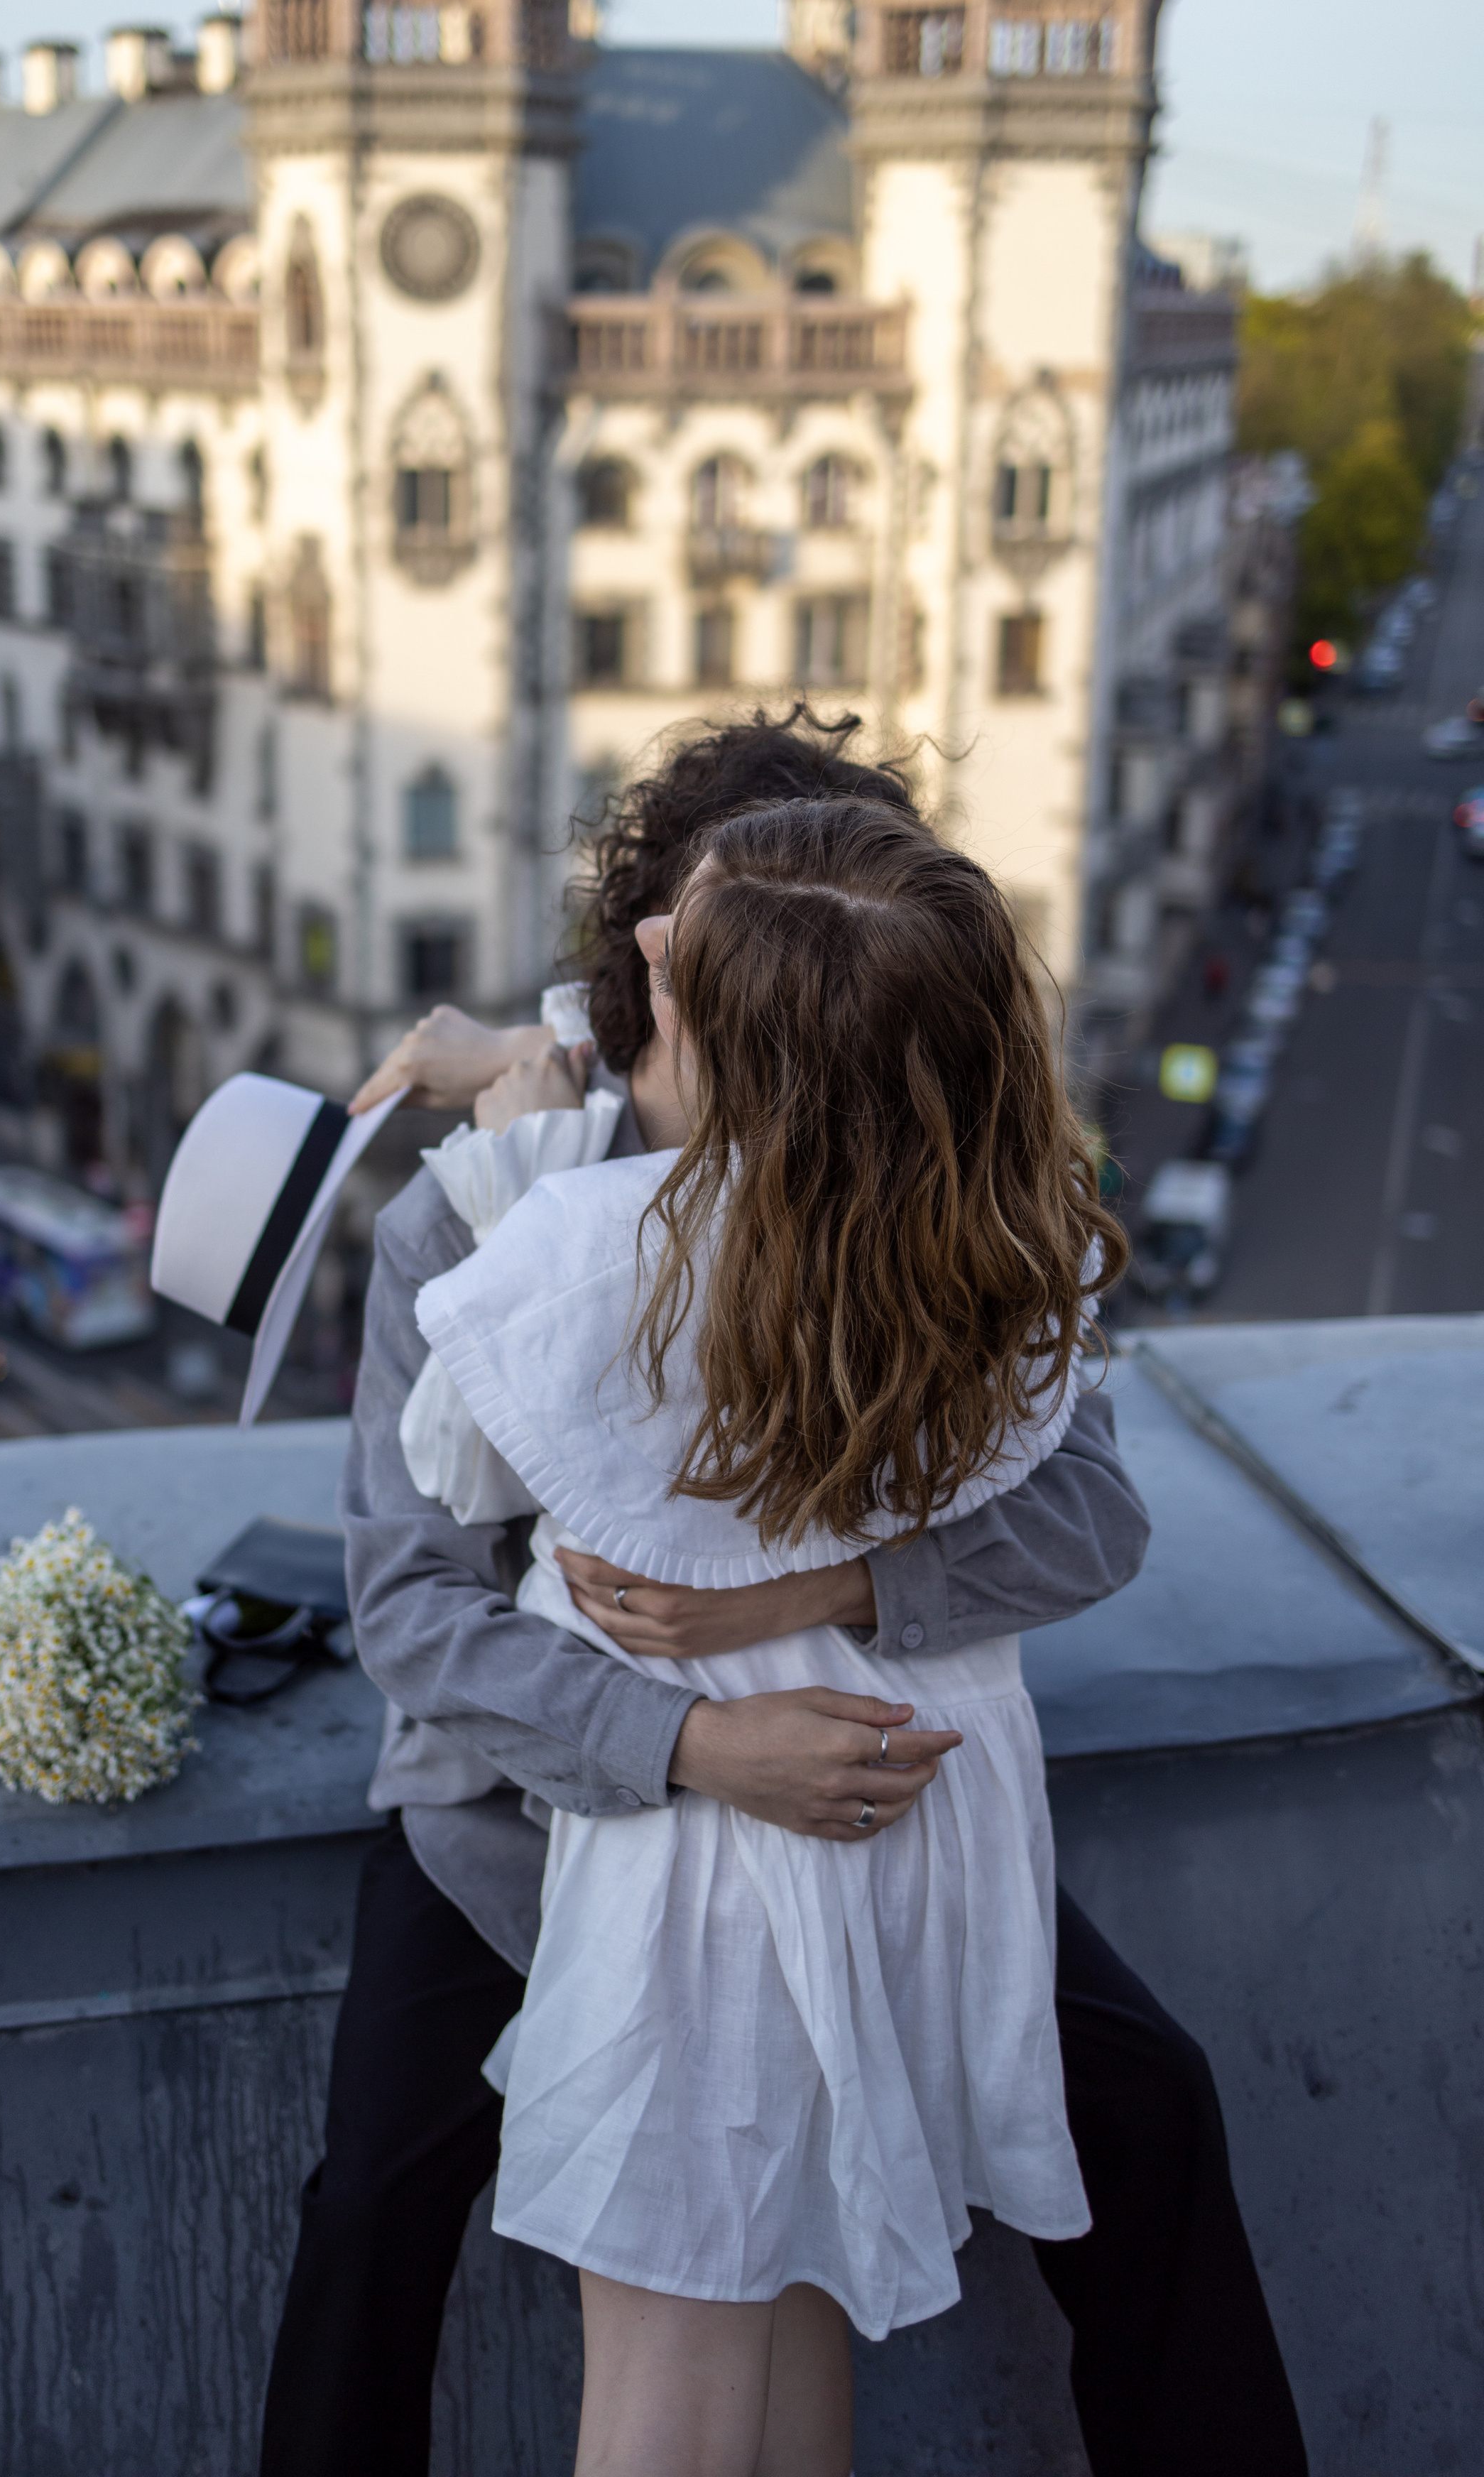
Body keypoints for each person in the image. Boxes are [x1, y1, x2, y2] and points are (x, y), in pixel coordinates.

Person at [261, 711, 1306, 2477]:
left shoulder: (902, 1204)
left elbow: (1087, 1521)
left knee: (1151, 2108)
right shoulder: (486, 1214)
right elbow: (420, 1620)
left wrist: (823, 1591)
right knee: (371, 2198)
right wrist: (694, 1740)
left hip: (846, 1791)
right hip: (523, 1804)